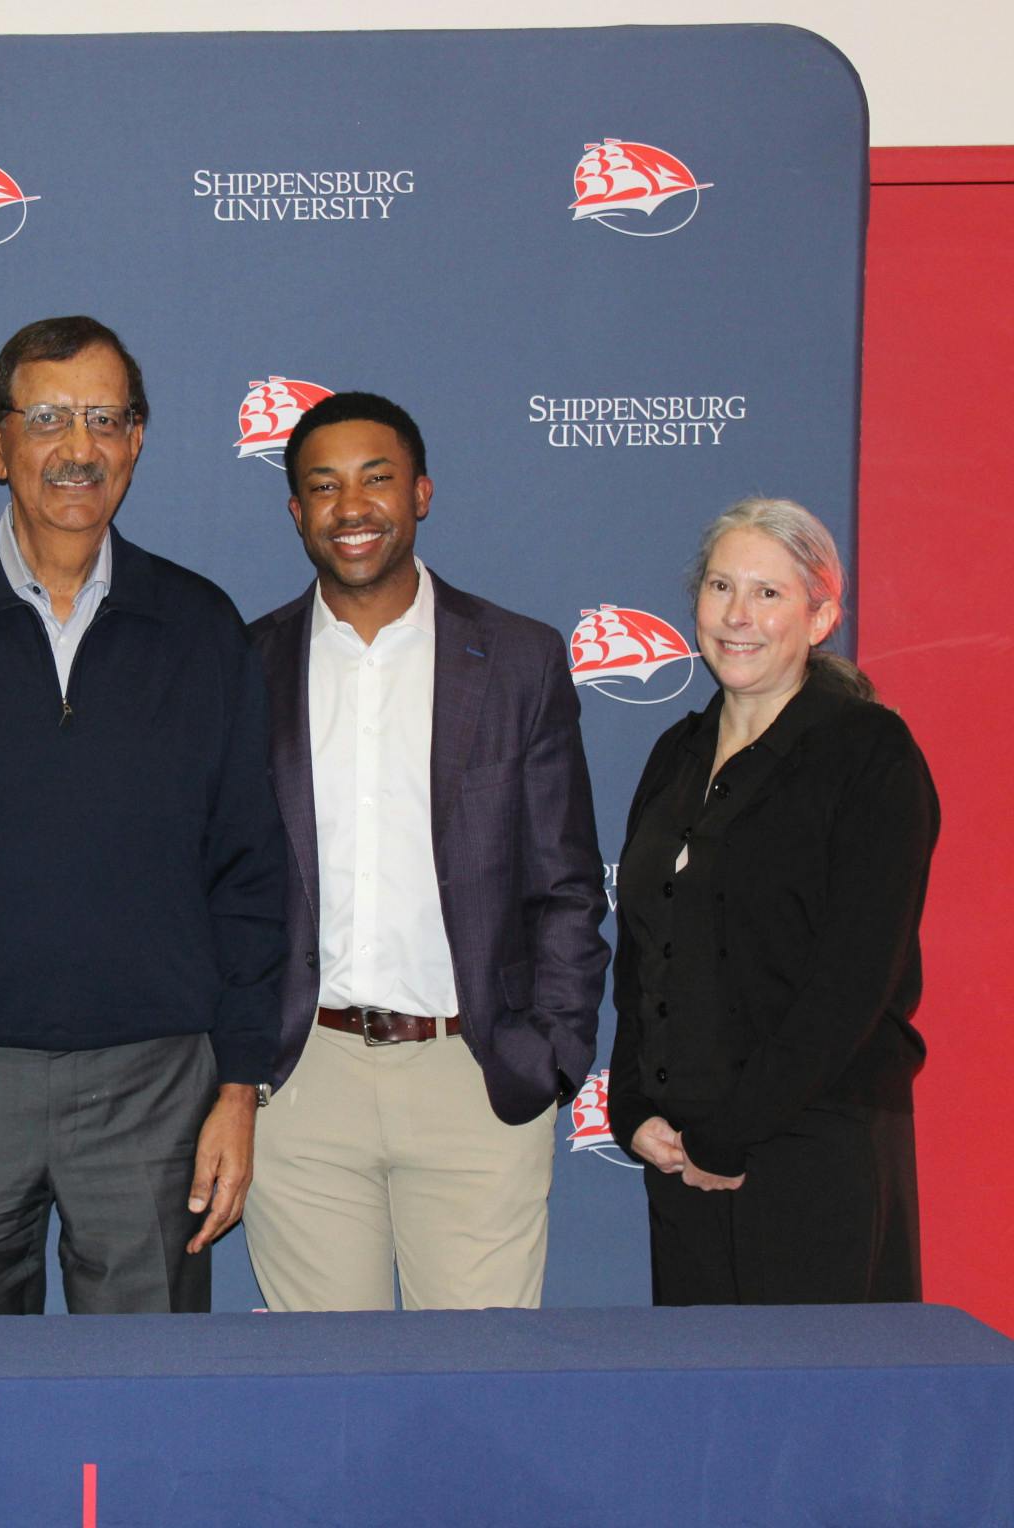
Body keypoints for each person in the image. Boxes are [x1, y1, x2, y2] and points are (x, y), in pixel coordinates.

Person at [0, 314, 285, 1315]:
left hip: (156, 1086)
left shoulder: (201, 628)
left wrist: (238, 1084)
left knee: (147, 1412)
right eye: (45, 417)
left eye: (103, 419)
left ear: (135, 441)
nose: (76, 449)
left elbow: (251, 877)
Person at [243, 391, 609, 1311]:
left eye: (376, 479)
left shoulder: (519, 659)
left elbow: (568, 881)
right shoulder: (247, 665)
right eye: (323, 486)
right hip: (303, 1085)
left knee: (481, 1396)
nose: (350, 506)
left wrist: (550, 1050)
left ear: (422, 494)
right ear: (296, 513)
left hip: (473, 1077)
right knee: (324, 1405)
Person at [607, 497, 937, 1303]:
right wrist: (632, 1104)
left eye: (768, 593)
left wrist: (732, 1134)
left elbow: (852, 982)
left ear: (821, 617)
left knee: (818, 1419)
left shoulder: (871, 755)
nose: (737, 615)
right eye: (721, 586)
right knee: (707, 1415)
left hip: (815, 1149)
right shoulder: (677, 752)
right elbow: (647, 948)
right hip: (684, 1156)